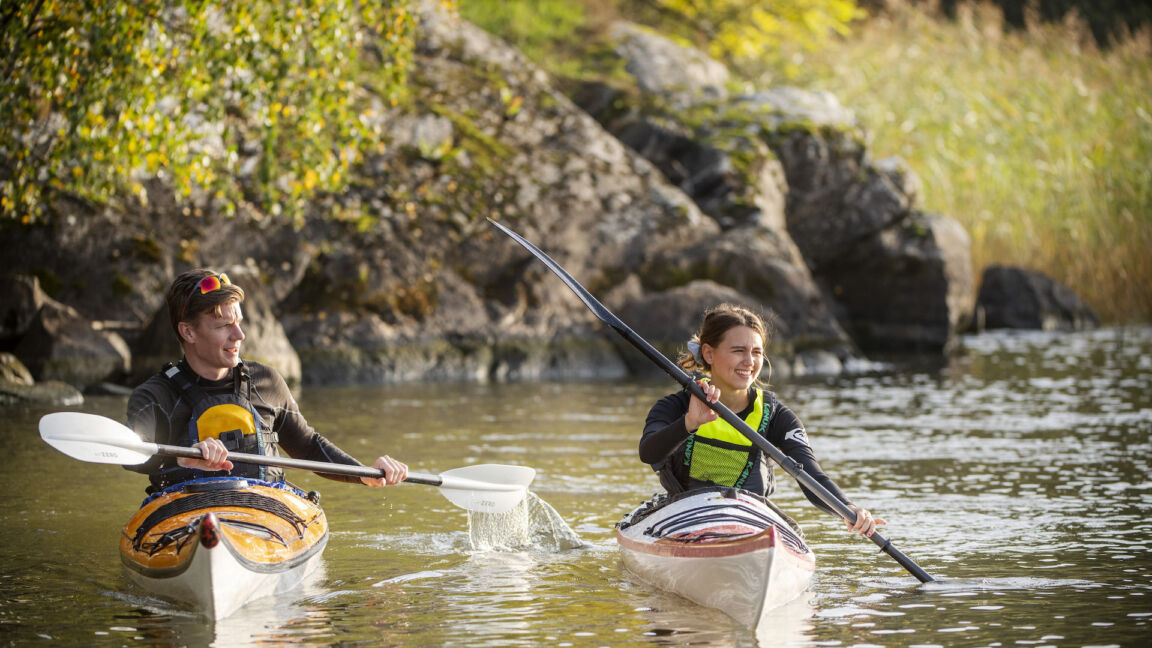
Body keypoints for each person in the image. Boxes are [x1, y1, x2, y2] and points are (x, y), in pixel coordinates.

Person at [126, 269, 408, 494]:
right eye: (224, 326)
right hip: (186, 515)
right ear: (188, 332)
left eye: (238, 322)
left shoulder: (266, 382)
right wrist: (181, 458)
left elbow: (308, 446)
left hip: (264, 512)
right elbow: (132, 457)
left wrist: (365, 474)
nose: (239, 335)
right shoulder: (153, 396)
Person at [639, 303, 884, 537]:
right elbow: (648, 453)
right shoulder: (676, 406)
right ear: (709, 353)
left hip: (750, 522)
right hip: (684, 519)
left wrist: (847, 508)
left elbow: (811, 475)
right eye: (738, 351)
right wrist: (689, 423)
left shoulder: (776, 416)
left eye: (756, 352)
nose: (750, 362)